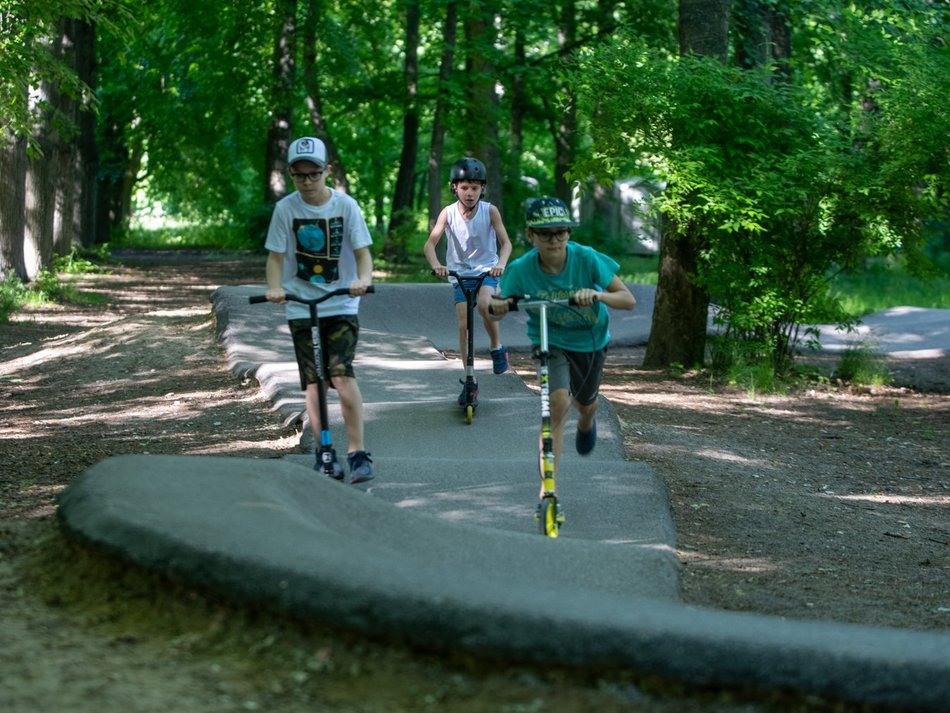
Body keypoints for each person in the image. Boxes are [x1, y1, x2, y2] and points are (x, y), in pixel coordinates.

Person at [490, 196, 635, 495]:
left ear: (569, 232)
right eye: (545, 233)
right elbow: (497, 303)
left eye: (561, 232)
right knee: (555, 404)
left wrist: (597, 296)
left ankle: (587, 419)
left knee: (585, 403)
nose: (554, 239)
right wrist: (499, 306)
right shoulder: (521, 269)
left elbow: (627, 299)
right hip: (549, 339)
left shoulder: (586, 258)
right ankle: (549, 487)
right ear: (531, 235)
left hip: (590, 340)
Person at [263, 136, 375, 483]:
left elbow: (362, 254)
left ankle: (357, 453)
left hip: (341, 301)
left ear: (326, 171)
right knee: (313, 383)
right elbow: (275, 258)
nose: (307, 183)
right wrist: (275, 287)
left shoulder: (345, 206)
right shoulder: (286, 209)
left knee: (340, 375)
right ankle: (324, 450)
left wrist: (363, 280)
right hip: (300, 305)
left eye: (313, 174)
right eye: (299, 176)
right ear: (292, 175)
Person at [424, 157, 513, 407]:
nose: (470, 193)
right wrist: (437, 266)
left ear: (482, 188)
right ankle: (469, 378)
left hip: (487, 271)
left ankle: (497, 347)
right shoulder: (448, 213)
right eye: (464, 187)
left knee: (486, 305)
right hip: (460, 274)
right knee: (463, 325)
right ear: (455, 188)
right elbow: (430, 244)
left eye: (475, 188)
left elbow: (506, 244)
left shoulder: (490, 211)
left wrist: (500, 265)